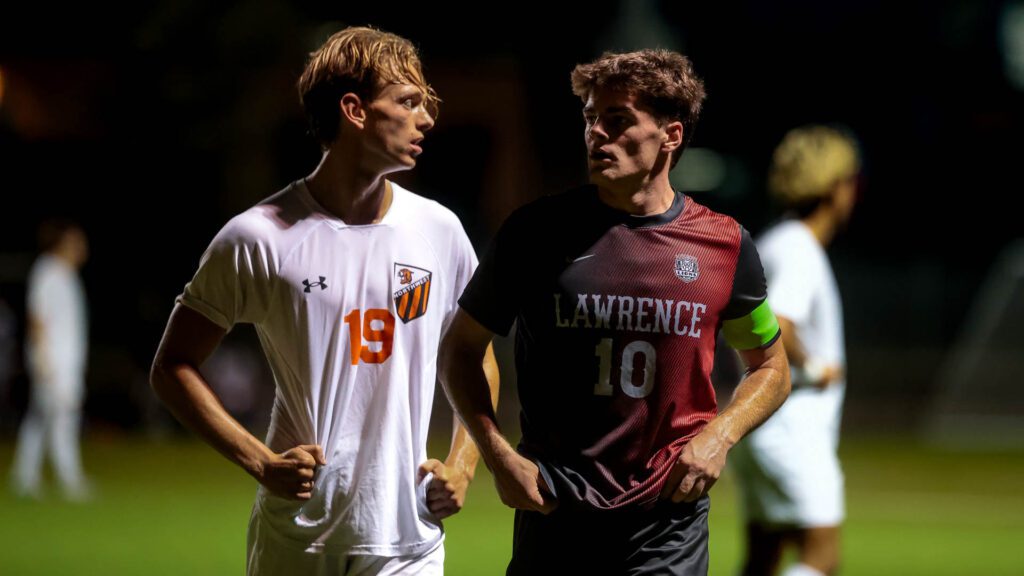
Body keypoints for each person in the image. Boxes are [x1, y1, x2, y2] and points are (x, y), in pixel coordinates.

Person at [150, 26, 497, 576]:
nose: (426, 120)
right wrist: (260, 462)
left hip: (411, 536)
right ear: (355, 110)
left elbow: (474, 356)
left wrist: (463, 463)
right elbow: (172, 366)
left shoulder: (440, 229)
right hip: (298, 535)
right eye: (408, 103)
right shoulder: (259, 236)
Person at [439, 49, 791, 575]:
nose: (596, 134)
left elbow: (772, 368)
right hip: (554, 515)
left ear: (671, 135)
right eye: (590, 119)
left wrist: (720, 437)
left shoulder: (725, 246)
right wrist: (496, 455)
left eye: (618, 120)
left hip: (666, 527)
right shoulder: (534, 234)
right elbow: (461, 350)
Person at [730, 125, 860, 576]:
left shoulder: (773, 241)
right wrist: (817, 367)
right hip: (791, 423)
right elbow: (780, 325)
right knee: (821, 558)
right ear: (835, 187)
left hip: (757, 421)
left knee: (762, 558)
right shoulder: (802, 249)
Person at [11, 219, 92, 501]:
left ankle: (25, 477)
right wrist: (42, 358)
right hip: (53, 361)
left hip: (66, 360)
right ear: (64, 243)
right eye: (77, 242)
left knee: (42, 417)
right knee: (61, 419)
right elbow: (37, 318)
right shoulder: (47, 271)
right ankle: (69, 478)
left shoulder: (68, 275)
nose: (82, 248)